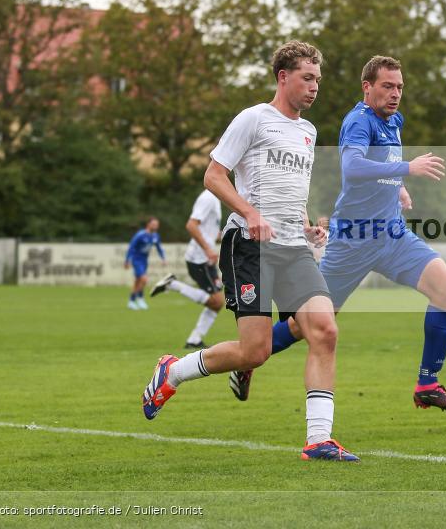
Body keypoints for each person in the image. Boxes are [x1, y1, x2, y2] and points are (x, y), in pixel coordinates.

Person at [141, 40, 359, 462]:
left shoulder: (309, 132)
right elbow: (214, 176)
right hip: (249, 246)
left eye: (318, 80)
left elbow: (293, 192)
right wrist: (249, 211)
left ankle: (319, 440)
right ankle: (174, 370)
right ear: (283, 77)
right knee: (254, 351)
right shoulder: (253, 119)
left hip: (294, 248)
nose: (315, 88)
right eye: (307, 78)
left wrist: (309, 224)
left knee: (324, 331)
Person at [229, 55, 446, 412]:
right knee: (305, 326)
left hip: (391, 233)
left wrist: (397, 185)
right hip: (354, 240)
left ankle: (427, 383)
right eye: (387, 86)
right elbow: (353, 167)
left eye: (400, 87)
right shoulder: (358, 121)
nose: (395, 93)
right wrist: (408, 168)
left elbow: (382, 163)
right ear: (367, 87)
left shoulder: (394, 120)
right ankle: (248, 359)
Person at [149, 189, 225, 349]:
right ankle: (173, 284)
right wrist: (208, 249)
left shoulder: (215, 198)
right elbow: (191, 225)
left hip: (205, 259)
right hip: (199, 259)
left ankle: (194, 340)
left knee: (217, 303)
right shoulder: (208, 197)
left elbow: (209, 230)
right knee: (217, 301)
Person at [124, 217, 165, 310]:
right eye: (154, 224)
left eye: (157, 225)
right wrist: (127, 260)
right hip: (136, 260)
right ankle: (140, 298)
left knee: (138, 281)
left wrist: (163, 258)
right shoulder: (140, 235)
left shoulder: (155, 236)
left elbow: (159, 248)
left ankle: (131, 301)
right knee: (144, 279)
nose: (156, 226)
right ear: (148, 224)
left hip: (144, 260)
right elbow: (131, 247)